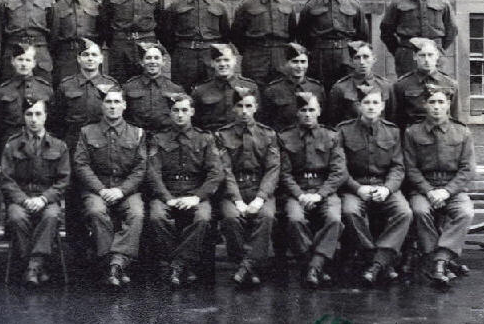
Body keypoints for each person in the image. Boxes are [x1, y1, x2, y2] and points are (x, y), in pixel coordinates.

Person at [338, 86, 412, 284]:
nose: (371, 107)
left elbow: (398, 167)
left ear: (383, 106)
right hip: (355, 187)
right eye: (366, 103)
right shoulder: (343, 131)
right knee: (350, 211)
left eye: (375, 103)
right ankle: (377, 260)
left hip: (383, 185)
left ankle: (376, 264)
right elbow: (340, 168)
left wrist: (387, 188)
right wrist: (357, 188)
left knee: (404, 212)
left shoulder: (393, 131)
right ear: (359, 106)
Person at [147, 93, 223, 286]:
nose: (180, 115)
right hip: (168, 192)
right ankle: (183, 264)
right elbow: (153, 173)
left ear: (192, 112)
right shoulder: (158, 139)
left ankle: (176, 264)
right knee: (157, 217)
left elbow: (215, 173)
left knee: (203, 218)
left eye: (184, 110)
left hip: (195, 193)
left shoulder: (205, 139)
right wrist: (167, 198)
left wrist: (197, 198)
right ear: (170, 113)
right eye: (175, 111)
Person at [74, 88, 146, 288]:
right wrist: (100, 189)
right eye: (108, 102)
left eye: (117, 102)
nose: (113, 106)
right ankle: (113, 264)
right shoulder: (87, 132)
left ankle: (115, 264)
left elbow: (141, 168)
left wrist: (122, 191)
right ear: (102, 105)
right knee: (96, 211)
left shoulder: (137, 133)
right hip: (98, 187)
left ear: (124, 105)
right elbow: (81, 164)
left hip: (126, 188)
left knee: (137, 214)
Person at [403, 84, 475, 285]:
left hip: (452, 188)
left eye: (441, 102)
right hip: (423, 188)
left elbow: (467, 169)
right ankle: (439, 262)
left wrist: (447, 191)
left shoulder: (462, 132)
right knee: (420, 211)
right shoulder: (413, 133)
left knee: (465, 212)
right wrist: (429, 191)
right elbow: (411, 168)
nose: (436, 106)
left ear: (448, 105)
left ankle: (439, 260)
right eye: (432, 102)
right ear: (425, 105)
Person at [54, 38, 119, 258]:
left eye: (94, 55)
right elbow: (57, 120)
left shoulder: (112, 85)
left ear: (101, 58)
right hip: (73, 147)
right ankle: (77, 249)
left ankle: (104, 249)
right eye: (85, 55)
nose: (90, 59)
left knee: (99, 196)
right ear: (78, 59)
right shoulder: (67, 85)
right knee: (73, 198)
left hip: (102, 149)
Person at [278, 92, 347, 288]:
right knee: (294, 219)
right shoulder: (284, 137)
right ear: (297, 113)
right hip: (297, 191)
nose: (308, 114)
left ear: (319, 111)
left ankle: (313, 266)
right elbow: (284, 174)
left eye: (311, 110)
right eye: (303, 110)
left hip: (324, 190)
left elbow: (338, 172)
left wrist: (319, 195)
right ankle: (316, 265)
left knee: (334, 219)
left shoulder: (332, 136)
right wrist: (300, 195)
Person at [0, 98, 70, 286]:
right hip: (21, 200)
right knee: (16, 217)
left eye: (38, 114)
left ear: (46, 116)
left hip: (46, 199)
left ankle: (32, 266)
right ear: (23, 117)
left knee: (51, 216)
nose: (33, 119)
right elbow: (6, 180)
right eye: (29, 114)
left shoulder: (59, 146)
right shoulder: (12, 145)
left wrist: (44, 199)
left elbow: (63, 181)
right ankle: (38, 265)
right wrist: (24, 200)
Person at [216, 87, 279, 286]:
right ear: (234, 108)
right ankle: (248, 265)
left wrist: (261, 197)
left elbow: (273, 169)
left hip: (260, 188)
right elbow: (225, 170)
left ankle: (245, 266)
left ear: (256, 108)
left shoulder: (268, 134)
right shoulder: (222, 135)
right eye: (240, 106)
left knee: (266, 216)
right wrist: (237, 200)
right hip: (233, 190)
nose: (244, 111)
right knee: (231, 218)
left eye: (248, 106)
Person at [298, 0, 369, 91]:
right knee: (319, 93)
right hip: (319, 59)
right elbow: (302, 36)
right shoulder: (311, 5)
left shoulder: (354, 4)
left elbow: (362, 36)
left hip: (346, 57)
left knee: (346, 93)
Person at [381, 0, 458, 77]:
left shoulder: (441, 2)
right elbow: (386, 32)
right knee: (408, 90)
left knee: (437, 90)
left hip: (435, 55)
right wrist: (400, 51)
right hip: (408, 56)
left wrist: (438, 48)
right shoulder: (398, 2)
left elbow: (452, 30)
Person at [162, 0, 230, 92]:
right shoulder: (176, 5)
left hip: (209, 56)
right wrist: (180, 51)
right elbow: (166, 34)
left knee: (211, 93)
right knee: (182, 93)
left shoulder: (219, 6)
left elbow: (225, 36)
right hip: (184, 57)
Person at [100, 0, 164, 83]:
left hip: (147, 46)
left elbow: (161, 23)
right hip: (120, 48)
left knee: (147, 83)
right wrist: (118, 42)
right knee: (118, 85)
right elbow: (104, 25)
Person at [230, 0, 297, 89]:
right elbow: (236, 35)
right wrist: (251, 51)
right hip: (255, 57)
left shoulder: (287, 4)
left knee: (280, 93)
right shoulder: (247, 4)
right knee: (253, 94)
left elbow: (292, 32)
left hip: (280, 57)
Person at [0, 0, 54, 82]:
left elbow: (54, 31)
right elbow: (0, 31)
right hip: (14, 52)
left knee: (42, 92)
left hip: (40, 54)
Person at [0, 44, 53, 159]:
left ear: (34, 62)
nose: (23, 64)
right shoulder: (3, 90)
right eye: (20, 59)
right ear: (12, 61)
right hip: (11, 145)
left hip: (40, 146)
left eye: (27, 60)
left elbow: (52, 120)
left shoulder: (45, 89)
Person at [51, 0, 101, 86]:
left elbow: (103, 32)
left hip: (90, 56)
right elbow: (51, 35)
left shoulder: (94, 4)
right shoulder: (55, 5)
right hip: (64, 58)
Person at [393, 37, 459, 130]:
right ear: (414, 56)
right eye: (422, 55)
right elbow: (396, 121)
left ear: (437, 56)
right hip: (413, 139)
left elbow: (455, 119)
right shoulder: (402, 85)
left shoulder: (450, 84)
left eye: (430, 55)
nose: (427, 59)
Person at [191, 43, 258, 132]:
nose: (222, 64)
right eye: (218, 60)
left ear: (235, 60)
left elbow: (258, 117)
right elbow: (195, 123)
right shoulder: (200, 90)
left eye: (226, 60)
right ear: (212, 63)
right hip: (213, 139)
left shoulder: (250, 87)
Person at [261, 43, 325, 131]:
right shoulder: (273, 90)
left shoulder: (316, 88)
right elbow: (266, 123)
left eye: (303, 62)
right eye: (295, 62)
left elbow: (323, 120)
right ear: (286, 63)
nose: (299, 66)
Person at [328, 41, 395, 126]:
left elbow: (392, 119)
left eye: (366, 57)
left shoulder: (385, 86)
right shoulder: (340, 88)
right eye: (357, 58)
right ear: (351, 61)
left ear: (374, 59)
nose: (362, 62)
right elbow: (334, 122)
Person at [123, 42, 184, 133]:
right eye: (148, 58)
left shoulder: (174, 88)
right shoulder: (129, 87)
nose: (152, 62)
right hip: (136, 137)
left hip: (165, 138)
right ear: (141, 62)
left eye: (156, 58)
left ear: (163, 61)